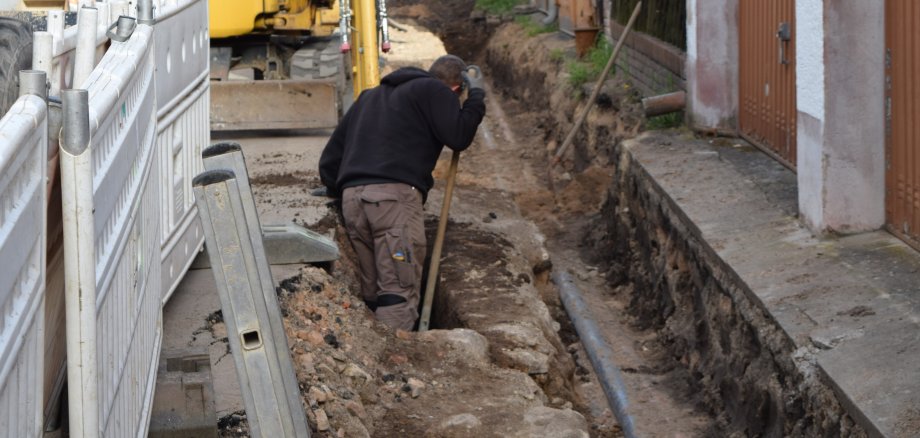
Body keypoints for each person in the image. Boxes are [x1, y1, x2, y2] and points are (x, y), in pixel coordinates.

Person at [318, 54, 487, 330]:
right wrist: (476, 96)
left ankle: (372, 362)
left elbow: (330, 159)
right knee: (397, 291)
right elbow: (458, 135)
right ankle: (395, 367)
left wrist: (337, 187)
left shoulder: (369, 97)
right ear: (456, 87)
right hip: (392, 202)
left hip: (353, 200)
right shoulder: (436, 90)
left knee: (373, 292)